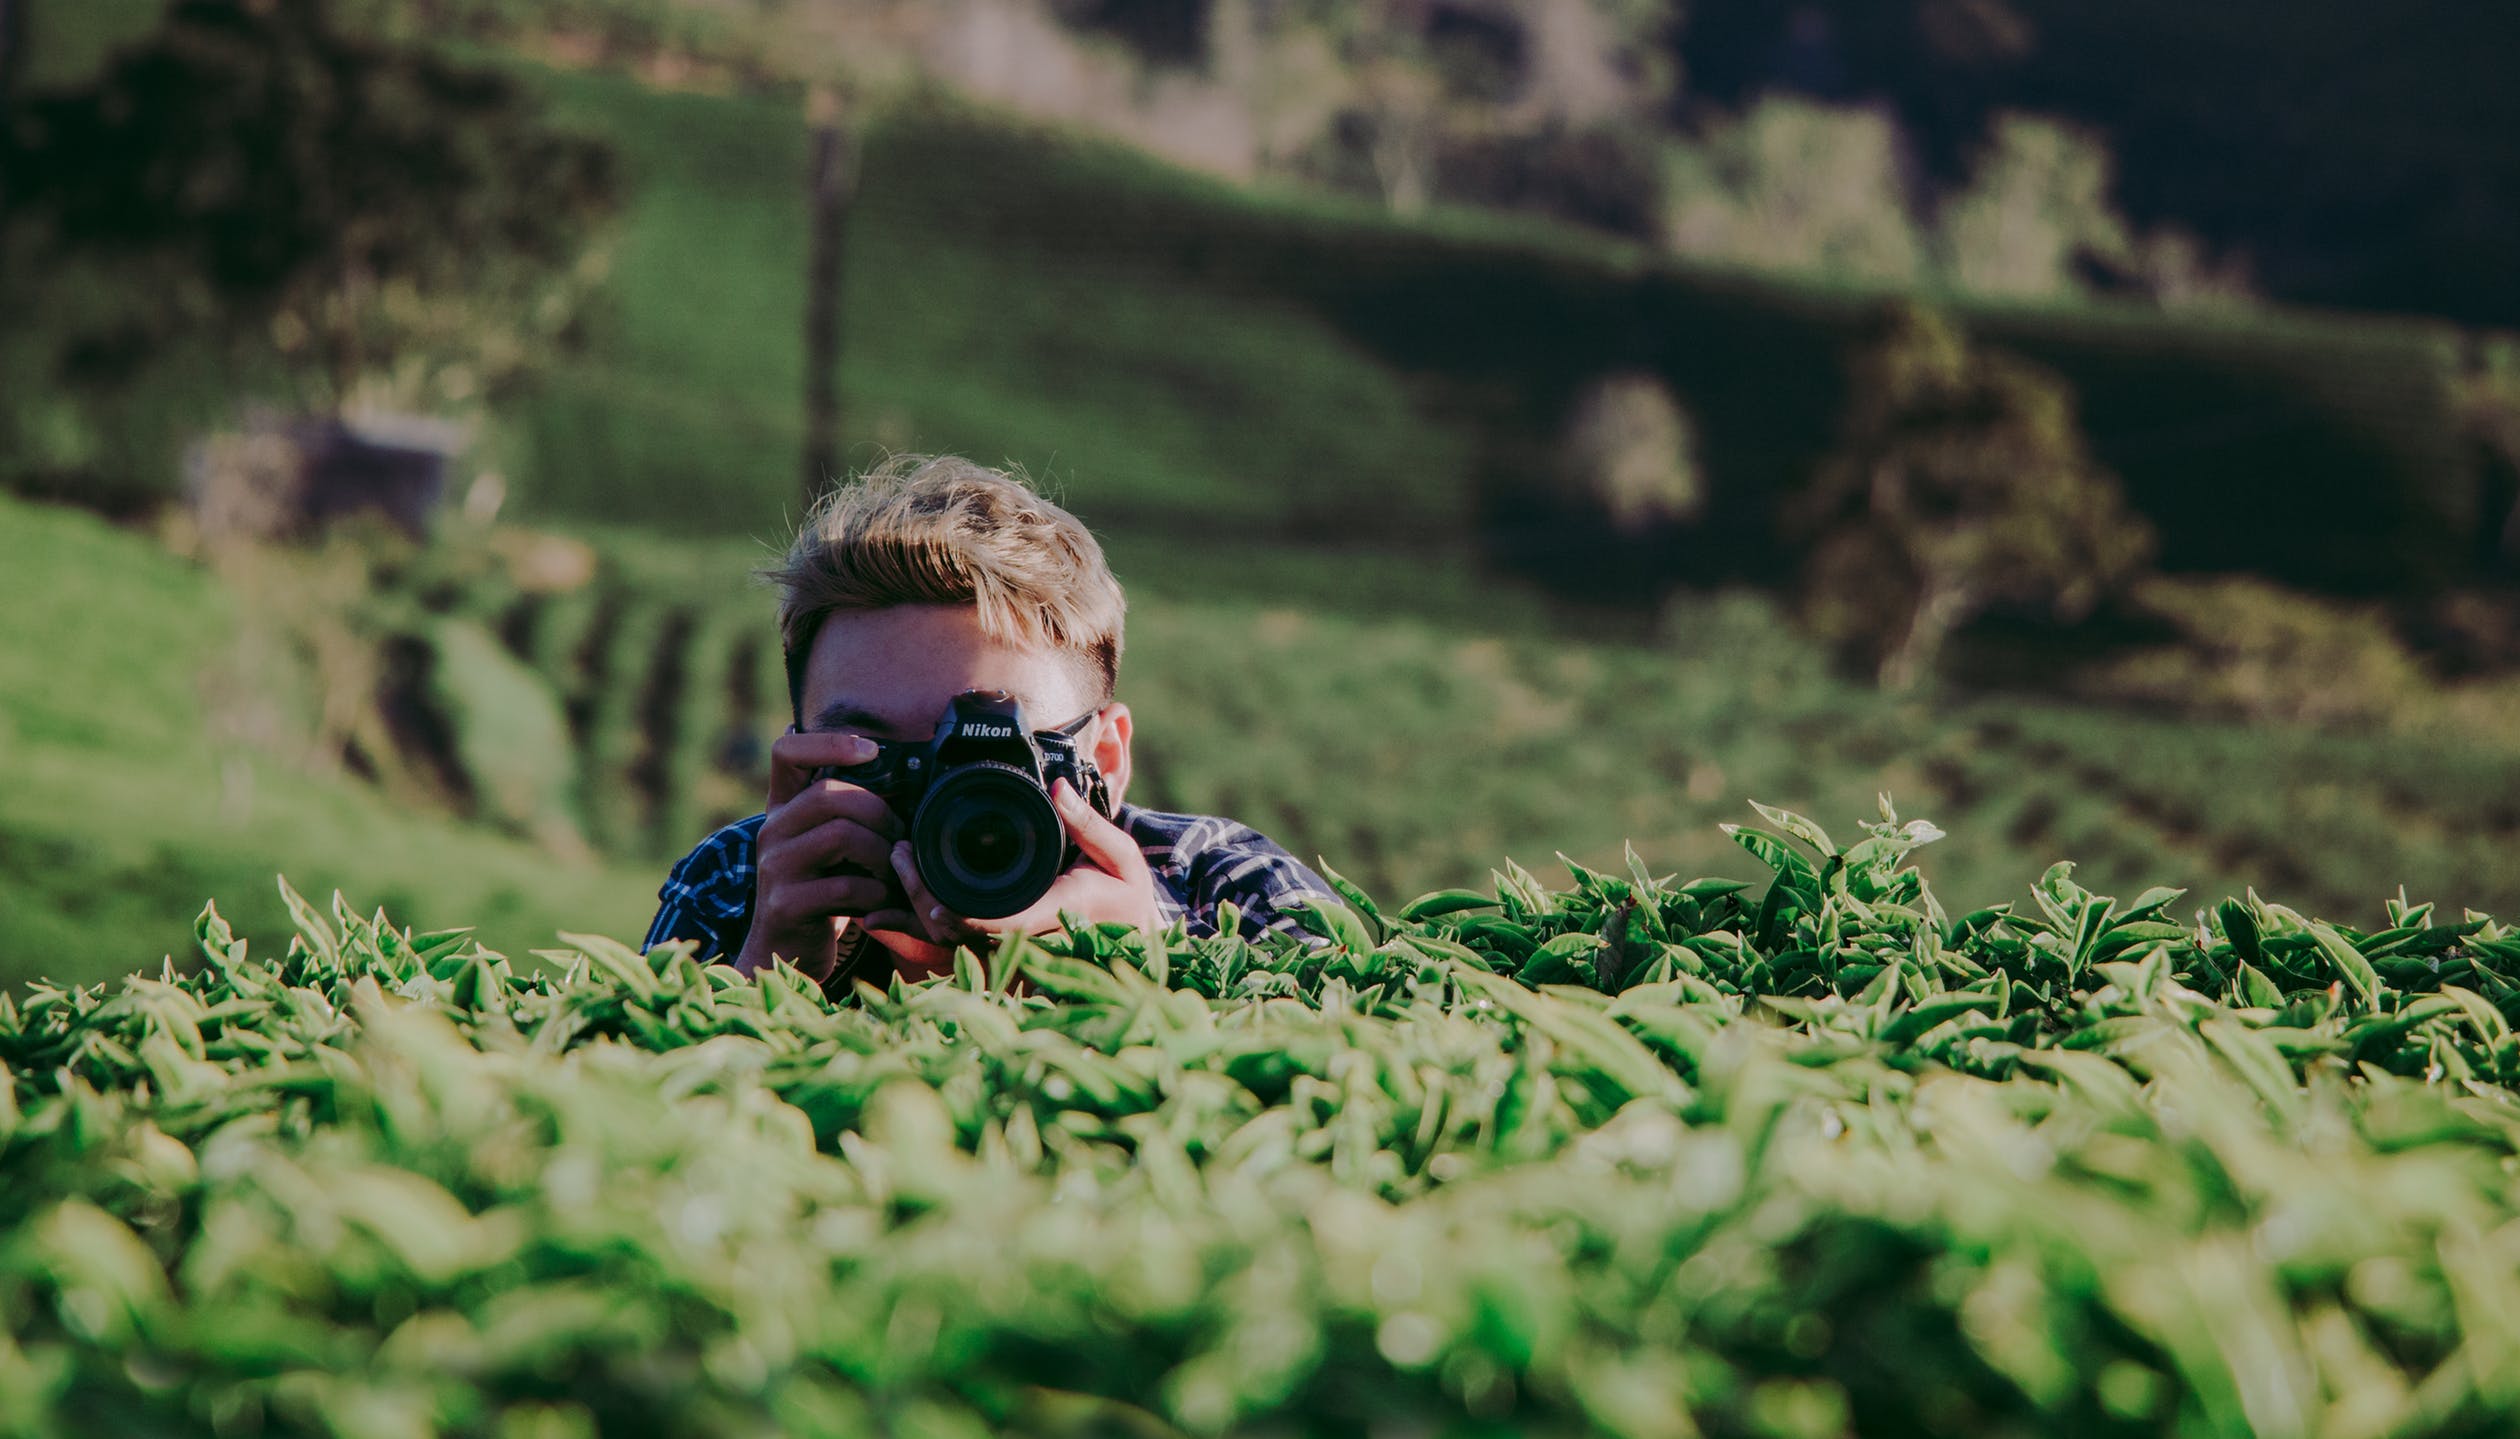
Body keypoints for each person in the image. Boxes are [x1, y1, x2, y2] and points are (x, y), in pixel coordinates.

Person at [643, 454, 1334, 990]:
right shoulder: (740, 884)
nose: (951, 805)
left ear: (1109, 760)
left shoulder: (1234, 891)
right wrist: (763, 973)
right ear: (803, 761)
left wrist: (1163, 972)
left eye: (1002, 756)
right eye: (878, 756)